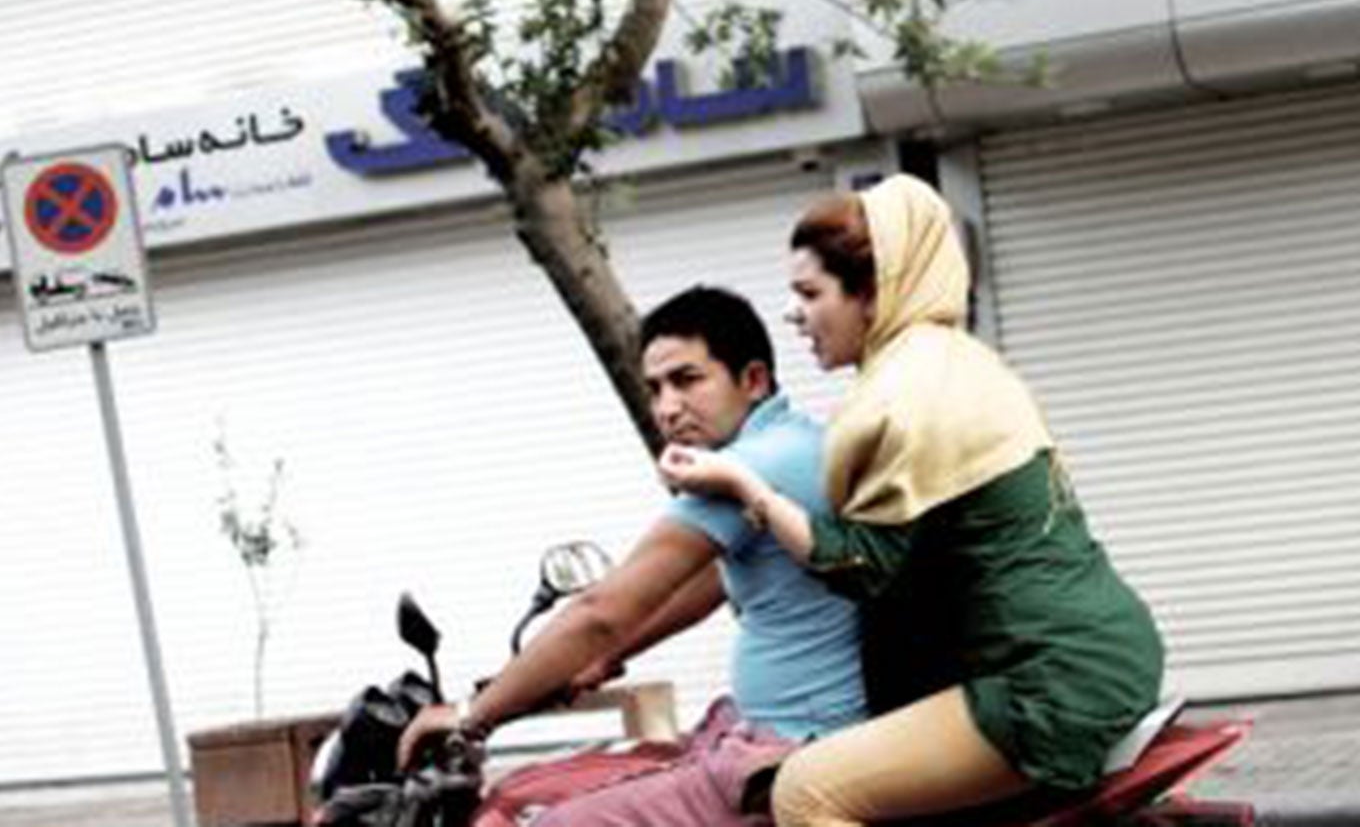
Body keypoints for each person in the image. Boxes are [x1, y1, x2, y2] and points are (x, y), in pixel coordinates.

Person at [659, 174, 1164, 827]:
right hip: (1089, 655)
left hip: (1041, 684)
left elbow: (862, 566)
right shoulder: (955, 361)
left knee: (806, 793)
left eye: (809, 293)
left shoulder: (901, 394)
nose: (793, 314)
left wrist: (744, 485)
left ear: (874, 291)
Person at [398, 285, 868, 827]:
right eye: (655, 389)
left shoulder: (748, 468)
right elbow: (706, 586)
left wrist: (469, 717)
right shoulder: (794, 442)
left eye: (688, 381)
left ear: (754, 380)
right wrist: (606, 657)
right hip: (785, 733)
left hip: (789, 750)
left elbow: (601, 611)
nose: (668, 408)